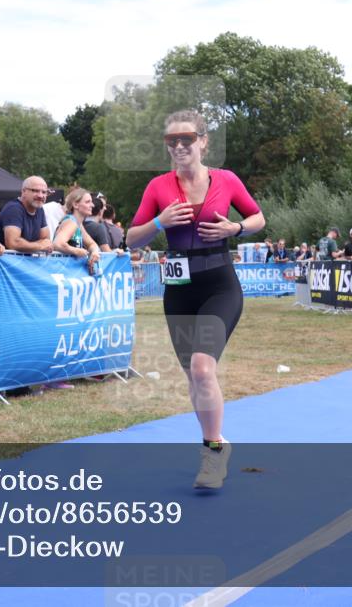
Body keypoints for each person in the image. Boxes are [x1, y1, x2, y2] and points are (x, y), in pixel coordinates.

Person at [126, 109, 265, 490]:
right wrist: (159, 223)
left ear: (203, 141)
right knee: (194, 376)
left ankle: (213, 453)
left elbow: (258, 218)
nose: (180, 146)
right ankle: (215, 441)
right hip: (180, 290)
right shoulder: (158, 188)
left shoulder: (227, 180)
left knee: (204, 369)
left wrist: (235, 227)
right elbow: (130, 239)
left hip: (220, 284)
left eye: (187, 138)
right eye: (172, 141)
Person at [0, 175, 53, 253]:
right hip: (2, 262)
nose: (40, 196)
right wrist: (40, 246)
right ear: (23, 191)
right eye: (35, 191)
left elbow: (46, 240)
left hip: (21, 262)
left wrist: (38, 245)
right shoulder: (14, 208)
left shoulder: (39, 209)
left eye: (44, 192)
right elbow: (13, 243)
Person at [53, 187, 102, 275]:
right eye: (88, 202)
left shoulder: (78, 224)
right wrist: (77, 251)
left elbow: (92, 243)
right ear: (75, 205)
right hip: (62, 272)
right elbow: (57, 244)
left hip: (67, 271)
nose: (92, 205)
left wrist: (94, 252)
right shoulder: (71, 222)